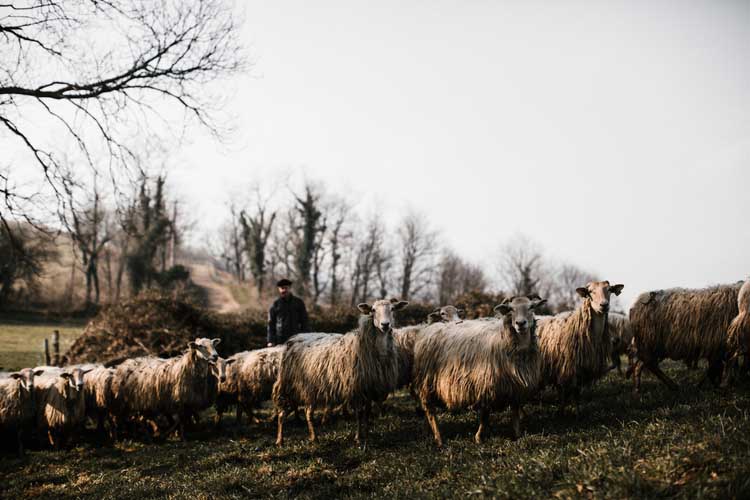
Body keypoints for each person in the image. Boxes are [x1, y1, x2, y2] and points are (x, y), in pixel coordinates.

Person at [267, 278, 310, 347]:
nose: (284, 290)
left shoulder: (298, 302)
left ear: (289, 288)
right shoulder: (275, 304)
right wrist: (270, 340)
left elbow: (305, 321)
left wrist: (306, 337)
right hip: (280, 339)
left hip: (296, 338)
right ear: (279, 289)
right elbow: (271, 324)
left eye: (286, 288)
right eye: (282, 288)